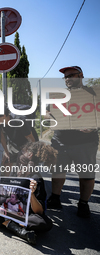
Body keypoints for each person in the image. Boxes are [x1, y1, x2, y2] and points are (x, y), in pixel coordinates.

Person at [46, 66, 98, 218]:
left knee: (86, 174)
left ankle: (83, 203)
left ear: (81, 75)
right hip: (60, 141)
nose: (68, 79)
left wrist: (94, 127)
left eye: (71, 75)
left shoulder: (93, 93)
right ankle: (55, 198)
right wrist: (50, 118)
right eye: (65, 77)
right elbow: (46, 113)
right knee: (57, 172)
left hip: (86, 142)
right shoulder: (58, 95)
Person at [0, 141, 56, 245]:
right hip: (9, 209)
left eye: (22, 152)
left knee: (45, 223)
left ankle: (5, 222)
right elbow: (4, 193)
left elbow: (39, 211)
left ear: (30, 155)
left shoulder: (36, 178)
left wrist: (32, 194)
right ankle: (12, 225)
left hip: (25, 215)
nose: (19, 154)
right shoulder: (15, 171)